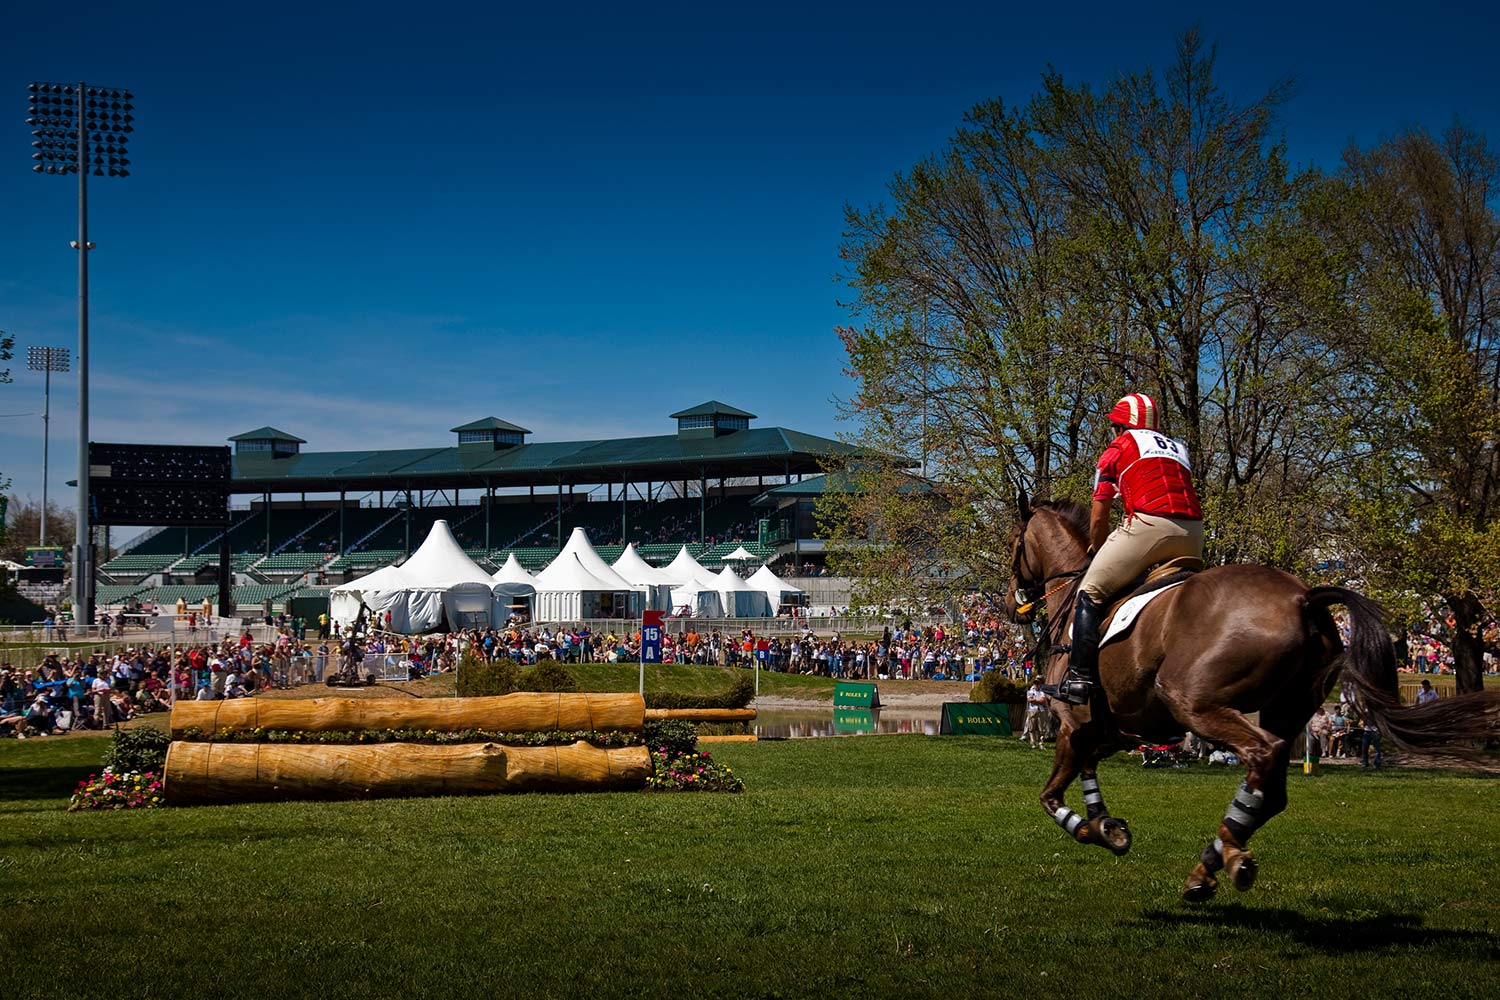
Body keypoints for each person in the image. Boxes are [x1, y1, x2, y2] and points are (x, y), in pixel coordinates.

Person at [1049, 392, 1204, 706]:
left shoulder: (1117, 448)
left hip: (1150, 525)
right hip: (1194, 531)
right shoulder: (1178, 448)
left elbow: (1099, 512)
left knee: (1090, 591)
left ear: (1120, 426)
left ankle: (1079, 678)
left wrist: (1099, 547)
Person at [1022, 679, 1049, 748]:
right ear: (1033, 684)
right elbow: (1029, 700)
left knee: (1041, 728)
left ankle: (1041, 743)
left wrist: (1034, 700)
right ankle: (1033, 742)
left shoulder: (1042, 692)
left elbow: (1043, 700)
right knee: (1031, 728)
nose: (1036, 685)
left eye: (1037, 684)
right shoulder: (1030, 692)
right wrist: (1037, 700)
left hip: (1041, 711)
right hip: (1032, 711)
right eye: (1035, 684)